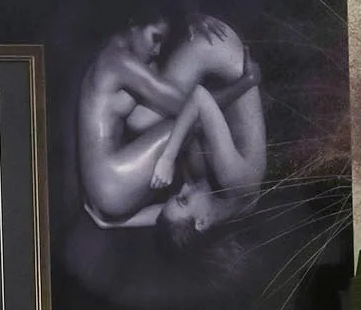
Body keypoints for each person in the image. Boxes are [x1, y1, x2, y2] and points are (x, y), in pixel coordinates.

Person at [77, 14, 265, 233]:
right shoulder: (235, 186)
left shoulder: (215, 209)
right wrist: (248, 82)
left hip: (112, 186)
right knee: (160, 121)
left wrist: (115, 222)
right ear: (202, 223)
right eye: (183, 199)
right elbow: (197, 102)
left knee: (143, 120)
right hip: (111, 186)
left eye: (180, 197)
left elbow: (171, 214)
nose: (183, 187)